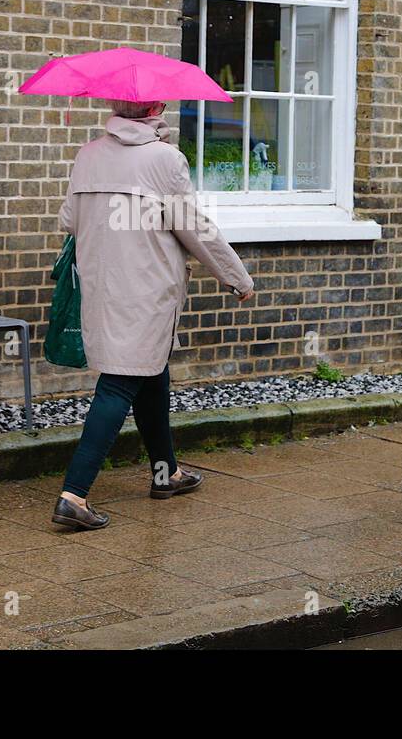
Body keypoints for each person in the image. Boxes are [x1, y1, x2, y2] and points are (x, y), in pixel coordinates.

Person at [52, 99, 255, 530]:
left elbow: (68, 220)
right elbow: (193, 227)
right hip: (147, 290)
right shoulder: (165, 159)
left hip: (102, 285)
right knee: (120, 382)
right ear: (156, 107)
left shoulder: (88, 154)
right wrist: (235, 275)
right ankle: (74, 494)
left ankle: (167, 474)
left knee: (151, 373)